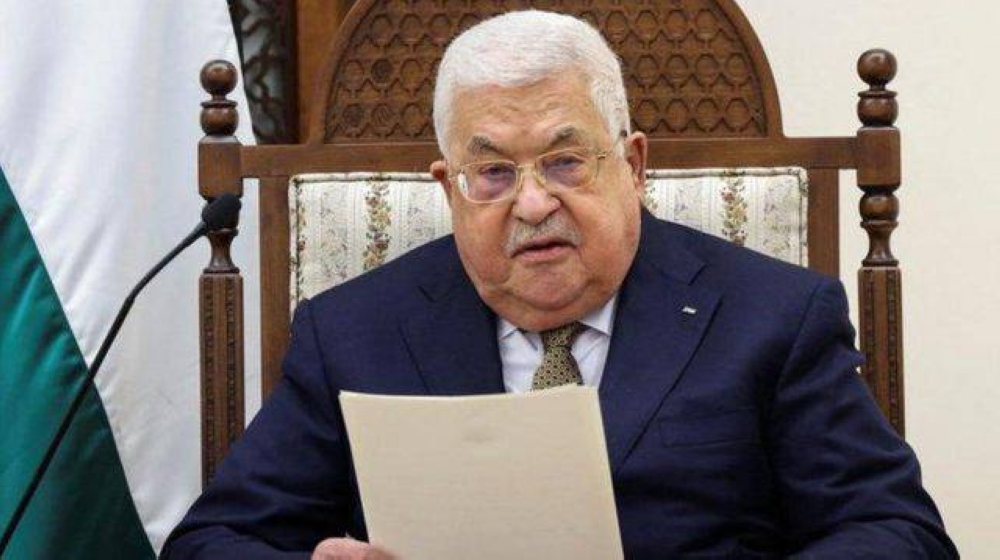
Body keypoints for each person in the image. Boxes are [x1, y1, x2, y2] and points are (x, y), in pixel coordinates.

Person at [163, 10, 956, 559]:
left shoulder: (774, 317)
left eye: (566, 161)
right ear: (449, 188)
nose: (533, 203)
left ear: (633, 165)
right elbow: (211, 543)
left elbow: (897, 533)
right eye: (493, 172)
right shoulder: (352, 333)